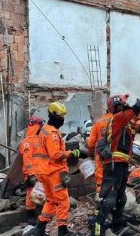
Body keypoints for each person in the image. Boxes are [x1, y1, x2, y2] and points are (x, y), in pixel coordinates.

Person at [94, 91, 140, 235]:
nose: (126, 106)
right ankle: (97, 229)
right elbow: (134, 109)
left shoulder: (126, 124)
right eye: (123, 104)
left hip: (121, 165)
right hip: (113, 164)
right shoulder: (117, 118)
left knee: (121, 199)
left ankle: (116, 226)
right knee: (110, 199)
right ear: (118, 106)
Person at [32, 102, 80, 236]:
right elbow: (55, 155)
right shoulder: (52, 133)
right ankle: (63, 230)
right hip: (53, 172)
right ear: (53, 116)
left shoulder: (44, 130)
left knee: (51, 200)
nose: (62, 119)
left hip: (43, 171)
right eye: (61, 117)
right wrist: (71, 153)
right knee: (63, 201)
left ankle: (40, 228)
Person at [86, 99, 115, 195]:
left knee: (101, 180)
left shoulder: (98, 123)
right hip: (117, 155)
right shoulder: (120, 121)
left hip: (101, 155)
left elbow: (91, 143)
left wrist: (90, 154)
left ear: (106, 110)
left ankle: (100, 199)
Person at [19, 116, 44, 225]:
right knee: (31, 194)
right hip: (32, 173)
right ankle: (31, 216)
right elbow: (27, 159)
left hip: (40, 172)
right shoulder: (28, 141)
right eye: (41, 126)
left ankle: (41, 214)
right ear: (37, 126)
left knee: (39, 193)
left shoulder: (38, 139)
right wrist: (31, 174)